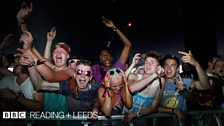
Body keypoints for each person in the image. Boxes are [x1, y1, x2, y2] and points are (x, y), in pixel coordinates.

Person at [158, 51, 210, 124]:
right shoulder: (157, 84)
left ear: (178, 69)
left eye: (172, 65)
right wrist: (175, 111)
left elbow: (205, 86)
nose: (168, 68)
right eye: (166, 65)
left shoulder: (184, 81)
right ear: (163, 68)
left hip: (181, 122)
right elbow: (153, 106)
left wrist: (196, 64)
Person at [122, 51, 165, 125]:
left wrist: (135, 114)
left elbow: (154, 107)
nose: (148, 64)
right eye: (146, 62)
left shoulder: (160, 82)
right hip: (124, 119)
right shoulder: (134, 76)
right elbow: (132, 88)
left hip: (143, 119)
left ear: (159, 67)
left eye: (152, 62)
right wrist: (155, 74)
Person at [92, 16, 132, 85]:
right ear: (100, 59)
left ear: (112, 58)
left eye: (108, 55)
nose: (106, 57)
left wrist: (114, 27)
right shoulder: (95, 68)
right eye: (103, 56)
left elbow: (128, 45)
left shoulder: (117, 67)